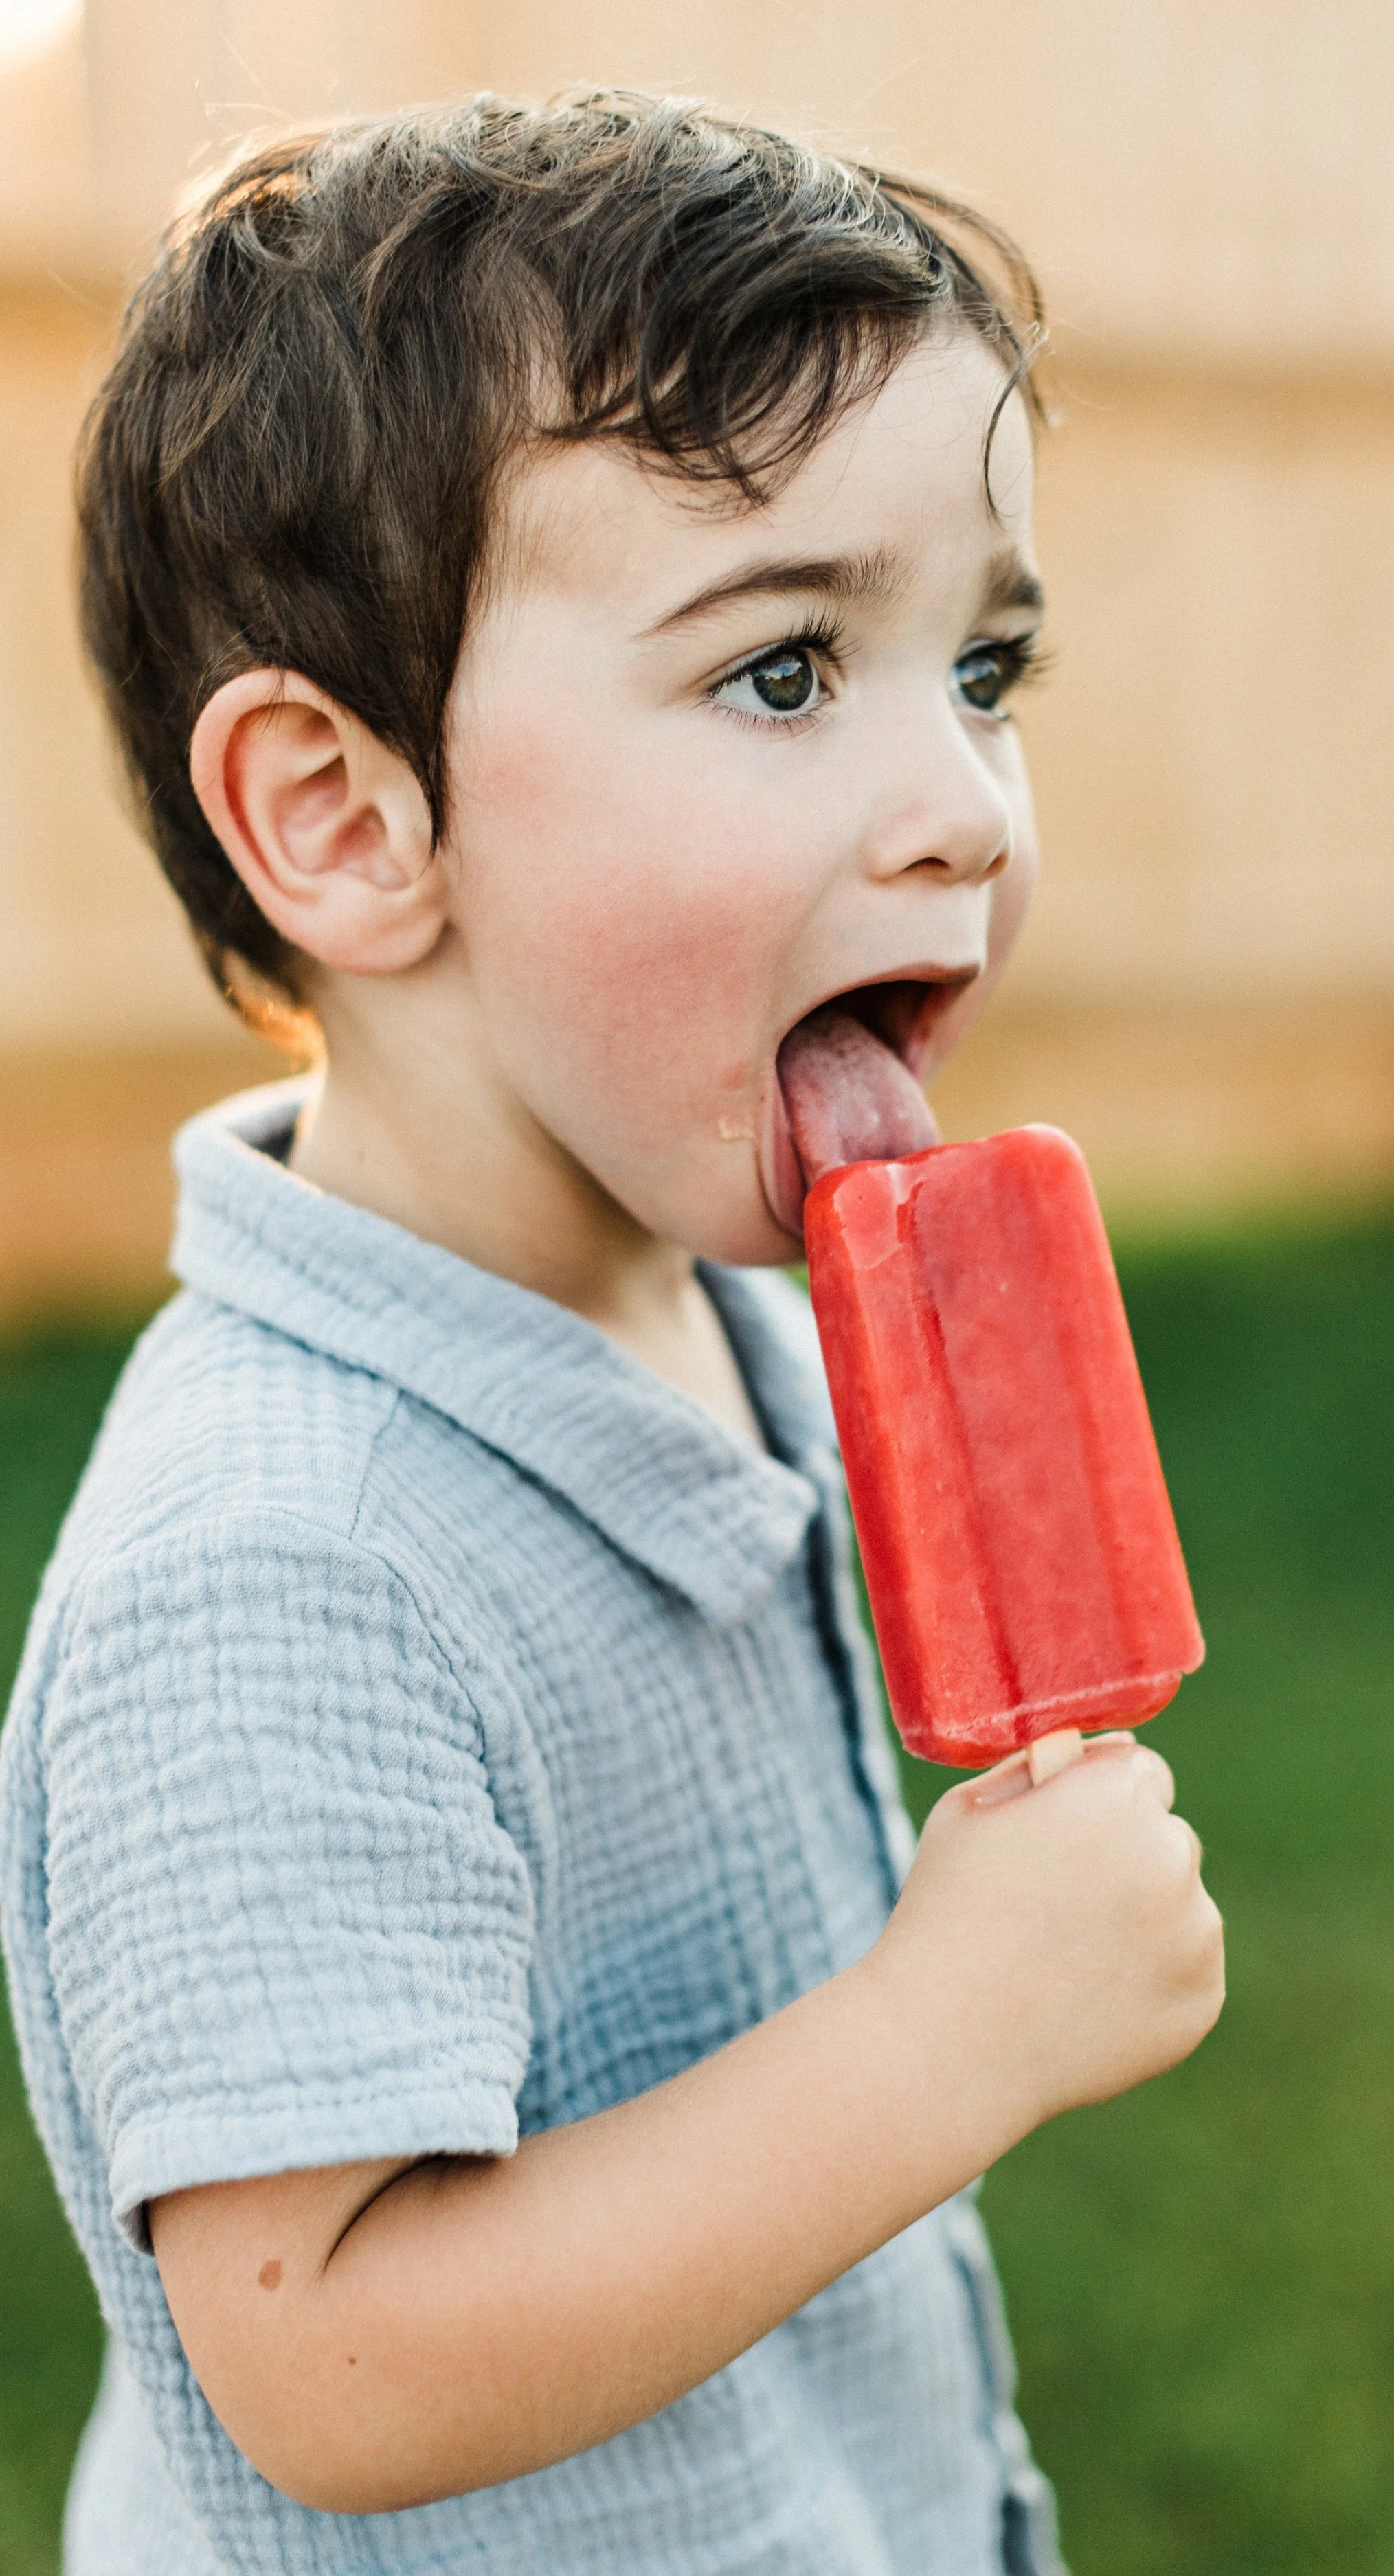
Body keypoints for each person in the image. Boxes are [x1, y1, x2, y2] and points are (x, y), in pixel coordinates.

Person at [0, 91, 1224, 2576]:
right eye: (785, 669)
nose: (968, 807)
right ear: (349, 820)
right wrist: (938, 2038)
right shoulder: (283, 1557)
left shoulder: (702, 1308)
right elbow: (322, 2356)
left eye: (974, 664)